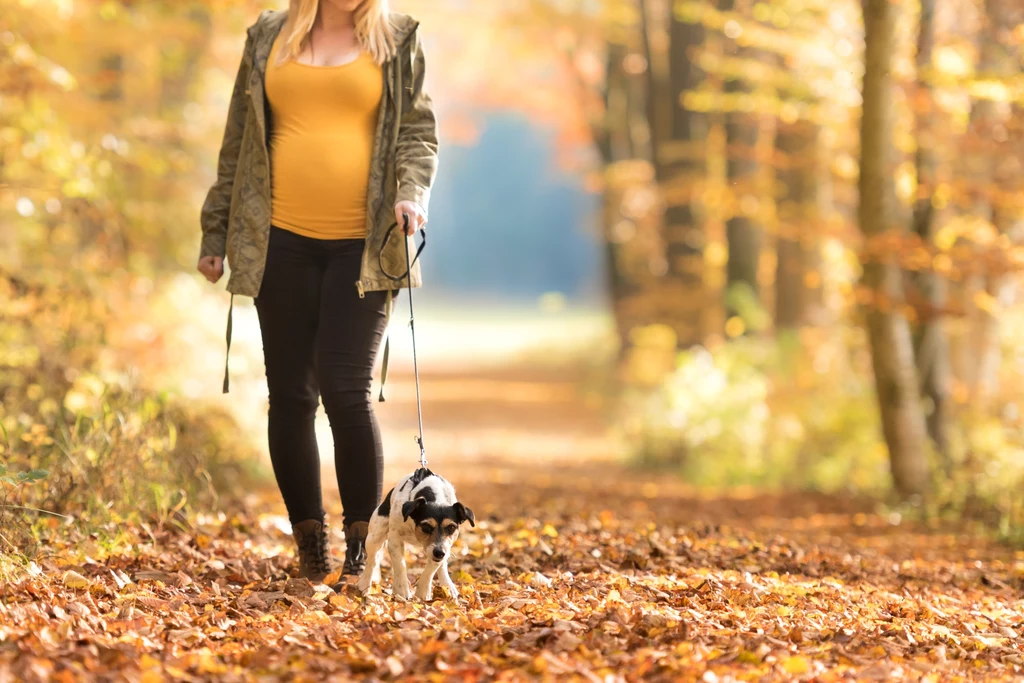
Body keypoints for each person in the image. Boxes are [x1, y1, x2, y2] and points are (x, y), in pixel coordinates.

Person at [196, 0, 438, 584]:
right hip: (277, 240)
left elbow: (417, 131)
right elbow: (239, 141)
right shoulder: (269, 36)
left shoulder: (397, 38)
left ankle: (363, 546)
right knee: (291, 395)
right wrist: (216, 228)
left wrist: (412, 194)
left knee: (346, 390)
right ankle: (310, 543)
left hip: (366, 243)